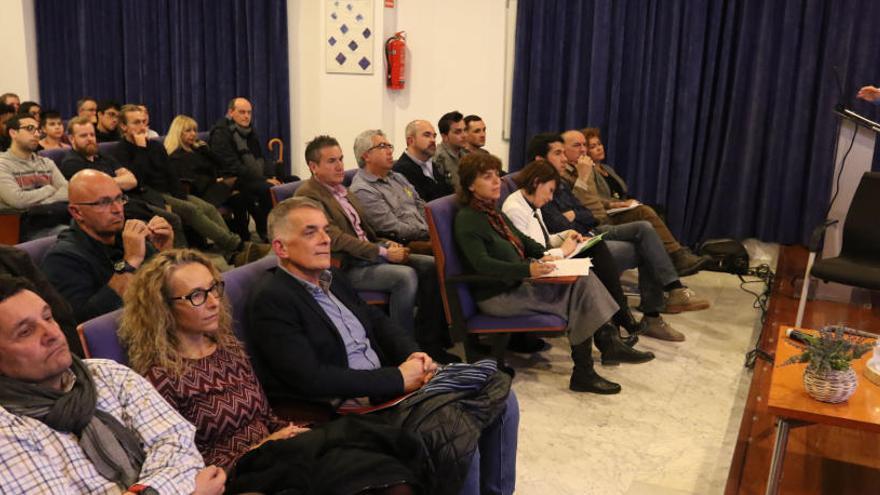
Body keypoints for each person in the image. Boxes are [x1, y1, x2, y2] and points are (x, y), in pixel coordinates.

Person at [248, 196, 519, 493]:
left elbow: (377, 321)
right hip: (358, 407)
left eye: (326, 230)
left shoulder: (332, 278)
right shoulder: (272, 299)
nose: (325, 240)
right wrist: (398, 378)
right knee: (457, 431)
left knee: (503, 396)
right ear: (280, 248)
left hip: (389, 386)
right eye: (310, 232)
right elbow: (311, 378)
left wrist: (412, 353)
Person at [0, 275, 226, 494]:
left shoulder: (105, 374)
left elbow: (181, 446)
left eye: (48, 317)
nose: (51, 333)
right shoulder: (6, 429)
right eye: (26, 332)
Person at [454, 152, 655, 394]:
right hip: (498, 295)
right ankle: (592, 361)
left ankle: (598, 354)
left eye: (497, 175)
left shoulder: (492, 212)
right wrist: (528, 268)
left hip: (516, 283)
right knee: (579, 296)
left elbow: (524, 240)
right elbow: (482, 265)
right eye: (487, 177)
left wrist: (546, 253)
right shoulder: (468, 219)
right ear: (470, 185)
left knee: (583, 278)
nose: (497, 181)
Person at [528, 133, 710, 338]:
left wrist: (575, 215)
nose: (565, 157)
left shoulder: (559, 181)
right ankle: (653, 314)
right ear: (540, 160)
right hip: (577, 242)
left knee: (644, 226)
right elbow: (559, 223)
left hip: (591, 230)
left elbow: (588, 214)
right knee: (645, 238)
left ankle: (674, 286)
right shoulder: (540, 184)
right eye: (558, 153)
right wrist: (579, 205)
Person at [296, 135, 457, 362]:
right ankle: (404, 350)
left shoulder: (341, 190)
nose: (341, 165)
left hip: (368, 254)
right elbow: (335, 238)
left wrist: (384, 242)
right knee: (405, 276)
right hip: (343, 266)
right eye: (332, 161)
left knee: (430, 266)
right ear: (314, 167)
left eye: (341, 159)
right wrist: (382, 251)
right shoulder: (309, 195)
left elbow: (363, 229)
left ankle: (429, 340)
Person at [502, 160, 651, 344]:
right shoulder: (514, 209)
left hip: (549, 257)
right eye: (549, 191)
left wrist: (567, 235)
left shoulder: (529, 200)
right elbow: (530, 256)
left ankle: (614, 331)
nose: (550, 198)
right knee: (589, 268)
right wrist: (563, 251)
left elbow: (543, 239)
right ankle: (616, 325)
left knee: (595, 247)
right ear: (536, 182)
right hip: (537, 272)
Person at [111, 105, 265, 265]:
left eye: (144, 122)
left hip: (169, 191)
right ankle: (237, 245)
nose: (142, 127)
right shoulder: (121, 150)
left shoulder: (155, 146)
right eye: (136, 123)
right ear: (123, 126)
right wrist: (141, 149)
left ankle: (231, 254)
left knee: (208, 208)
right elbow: (138, 179)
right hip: (149, 195)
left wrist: (180, 196)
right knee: (191, 210)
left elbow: (171, 174)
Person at [559, 129, 713, 276]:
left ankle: (676, 264)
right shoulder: (566, 173)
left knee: (645, 212)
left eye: (585, 145)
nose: (583, 150)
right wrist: (584, 179)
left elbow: (596, 199)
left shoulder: (588, 167)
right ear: (563, 149)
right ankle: (674, 271)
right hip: (592, 225)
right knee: (645, 229)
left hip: (604, 215)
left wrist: (615, 203)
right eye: (577, 145)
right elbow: (575, 204)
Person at [42, 169, 175, 323]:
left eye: (119, 199)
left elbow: (168, 288)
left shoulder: (126, 235)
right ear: (77, 212)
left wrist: (165, 252)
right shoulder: (61, 259)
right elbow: (86, 323)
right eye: (104, 203)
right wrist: (130, 262)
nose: (117, 209)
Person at [61, 116, 187, 247]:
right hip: (110, 211)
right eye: (83, 136)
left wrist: (108, 182)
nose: (90, 139)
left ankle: (179, 259)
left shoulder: (102, 155)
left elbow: (132, 180)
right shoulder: (72, 163)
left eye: (92, 134)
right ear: (71, 139)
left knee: (173, 219)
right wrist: (118, 180)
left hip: (130, 202)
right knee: (158, 225)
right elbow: (98, 192)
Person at [165, 114, 250, 240]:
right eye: (188, 130)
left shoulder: (197, 150)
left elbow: (221, 164)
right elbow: (192, 180)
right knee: (242, 183)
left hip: (214, 186)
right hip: (201, 193)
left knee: (240, 196)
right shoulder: (177, 156)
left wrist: (206, 150)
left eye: (194, 130)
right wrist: (215, 179)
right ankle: (242, 236)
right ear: (178, 133)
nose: (193, 134)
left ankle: (242, 236)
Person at [208, 97, 279, 241]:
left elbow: (261, 157)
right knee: (267, 188)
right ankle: (264, 229)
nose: (246, 116)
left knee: (292, 180)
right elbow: (232, 166)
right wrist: (265, 179)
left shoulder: (250, 131)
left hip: (251, 176)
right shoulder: (221, 133)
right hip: (232, 178)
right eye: (242, 112)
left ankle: (287, 226)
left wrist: (272, 175)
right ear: (231, 112)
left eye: (249, 112)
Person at [350, 128, 430, 248]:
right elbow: (392, 228)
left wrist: (434, 227)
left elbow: (420, 205)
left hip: (425, 234)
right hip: (403, 244)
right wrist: (428, 231)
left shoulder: (397, 177)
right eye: (382, 146)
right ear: (366, 156)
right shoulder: (363, 189)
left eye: (389, 146)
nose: (390, 151)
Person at [0, 114, 70, 239]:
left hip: (54, 218)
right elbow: (18, 200)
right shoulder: (3, 164)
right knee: (69, 235)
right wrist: (48, 189)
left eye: (38, 130)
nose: (37, 134)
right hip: (20, 229)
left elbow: (66, 190)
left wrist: (41, 205)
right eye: (30, 128)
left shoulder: (46, 162)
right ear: (13, 133)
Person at [393, 119, 454, 202]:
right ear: (411, 141)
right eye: (427, 135)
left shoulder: (432, 164)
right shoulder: (399, 171)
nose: (433, 140)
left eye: (434, 136)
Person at [433, 110, 468, 189]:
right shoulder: (437, 158)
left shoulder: (466, 154)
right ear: (445, 136)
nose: (464, 135)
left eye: (465, 130)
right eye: (458, 132)